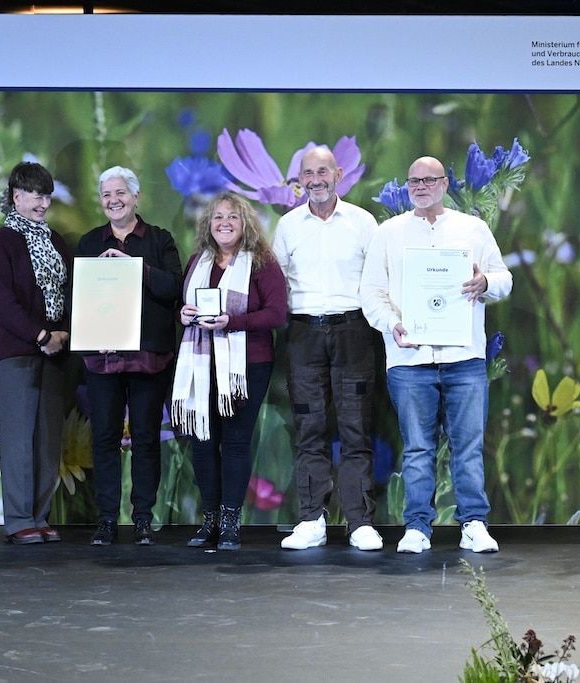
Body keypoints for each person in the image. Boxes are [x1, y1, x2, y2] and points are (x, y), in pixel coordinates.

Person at [360, 155, 512, 554]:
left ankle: (474, 523)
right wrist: (391, 323)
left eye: (429, 179)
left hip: (464, 357)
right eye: (414, 181)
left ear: (446, 185)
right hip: (409, 360)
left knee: (468, 445)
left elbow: (504, 279)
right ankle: (417, 527)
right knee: (417, 447)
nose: (421, 186)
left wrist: (485, 283)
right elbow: (371, 292)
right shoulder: (388, 232)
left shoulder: (473, 229)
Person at [272, 146, 382, 551]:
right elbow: (275, 281)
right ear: (299, 178)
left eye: (322, 171)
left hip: (354, 330)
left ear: (338, 174)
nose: (315, 179)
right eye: (307, 173)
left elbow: (378, 278)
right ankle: (312, 519)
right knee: (310, 428)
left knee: (355, 427)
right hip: (303, 335)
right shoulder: (287, 226)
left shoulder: (363, 222)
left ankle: (359, 522)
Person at [172, 192, 287, 550]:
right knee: (203, 440)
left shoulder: (262, 263)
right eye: (218, 216)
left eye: (233, 217)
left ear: (246, 223)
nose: (225, 223)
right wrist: (184, 315)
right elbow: (186, 304)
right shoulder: (197, 261)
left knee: (235, 441)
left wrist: (231, 322)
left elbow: (276, 314)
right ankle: (209, 519)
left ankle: (231, 522)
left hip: (247, 364)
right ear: (208, 223)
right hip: (201, 361)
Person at [76, 166, 183, 546]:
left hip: (147, 356)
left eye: (120, 192)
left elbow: (174, 287)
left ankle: (141, 518)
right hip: (102, 357)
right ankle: (106, 518)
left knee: (145, 438)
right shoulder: (89, 242)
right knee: (104, 438)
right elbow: (81, 298)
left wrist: (133, 268)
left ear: (136, 196)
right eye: (106, 195)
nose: (113, 200)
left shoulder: (159, 240)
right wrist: (93, 332)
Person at [0, 162, 71, 545]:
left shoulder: (57, 241)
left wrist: (63, 332)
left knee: (48, 441)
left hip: (54, 353)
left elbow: (70, 293)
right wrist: (40, 335)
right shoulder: (0, 241)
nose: (43, 201)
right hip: (17, 351)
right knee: (18, 438)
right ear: (16, 196)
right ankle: (19, 519)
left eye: (47, 194)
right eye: (35, 194)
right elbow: (1, 301)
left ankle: (39, 514)